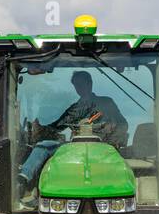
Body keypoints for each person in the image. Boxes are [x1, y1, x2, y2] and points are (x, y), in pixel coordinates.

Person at [17, 70, 127, 204]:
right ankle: (23, 179)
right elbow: (57, 126)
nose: (80, 88)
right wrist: (39, 128)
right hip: (73, 148)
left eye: (82, 84)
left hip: (102, 148)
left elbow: (122, 124)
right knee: (44, 146)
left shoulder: (106, 103)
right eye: (77, 85)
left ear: (90, 83)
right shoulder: (74, 109)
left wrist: (112, 143)